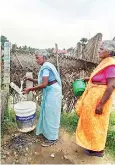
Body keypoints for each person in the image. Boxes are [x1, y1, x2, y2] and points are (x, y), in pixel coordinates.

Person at [75, 40, 115, 157]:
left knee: (98, 124)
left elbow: (111, 85)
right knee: (92, 123)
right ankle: (92, 146)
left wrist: (101, 104)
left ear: (109, 51)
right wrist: (89, 79)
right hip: (94, 99)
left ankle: (98, 150)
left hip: (99, 100)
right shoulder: (105, 62)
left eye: (101, 49)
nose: (99, 51)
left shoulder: (111, 64)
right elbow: (100, 78)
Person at [24, 49, 62, 147]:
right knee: (49, 113)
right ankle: (48, 134)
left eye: (37, 58)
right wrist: (31, 79)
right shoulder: (48, 65)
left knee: (51, 114)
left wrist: (30, 89)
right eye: (35, 58)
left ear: (44, 57)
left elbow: (44, 84)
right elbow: (44, 80)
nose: (36, 60)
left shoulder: (46, 68)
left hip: (52, 92)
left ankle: (52, 138)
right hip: (52, 90)